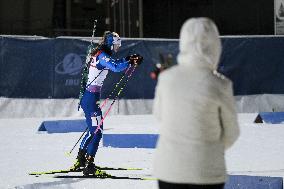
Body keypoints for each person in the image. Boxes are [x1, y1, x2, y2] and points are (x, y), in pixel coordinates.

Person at [153, 18, 240, 189]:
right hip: (207, 173)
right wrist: (209, 149)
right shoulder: (221, 84)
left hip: (169, 170)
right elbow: (231, 132)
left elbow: (159, 116)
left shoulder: (166, 78)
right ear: (215, 45)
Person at [73, 31, 142, 176]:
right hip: (91, 99)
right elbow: (116, 67)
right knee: (97, 132)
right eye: (116, 45)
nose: (117, 48)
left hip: (89, 97)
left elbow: (115, 63)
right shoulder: (102, 56)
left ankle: (81, 159)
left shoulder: (99, 53)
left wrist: (128, 58)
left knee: (93, 131)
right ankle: (89, 165)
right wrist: (130, 61)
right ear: (111, 44)